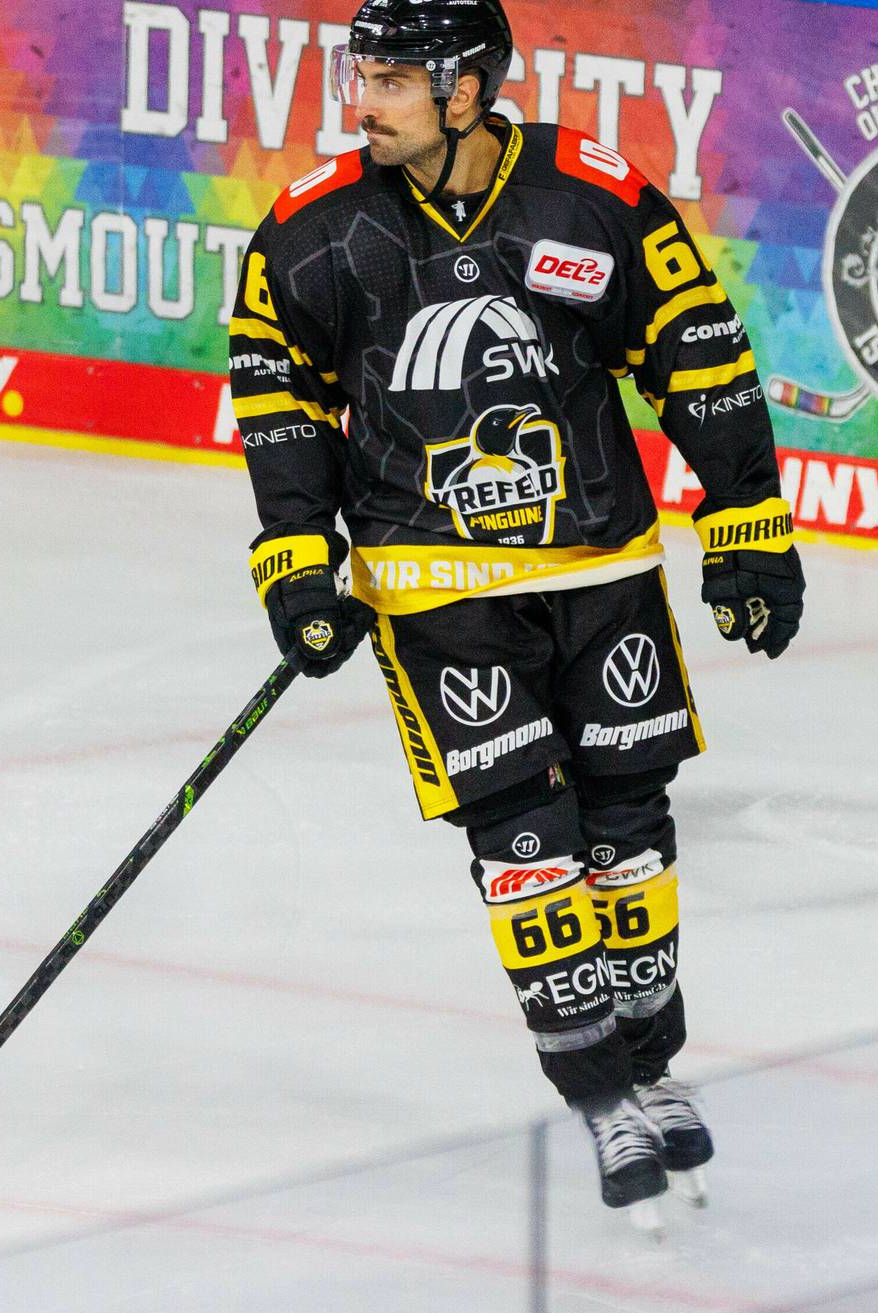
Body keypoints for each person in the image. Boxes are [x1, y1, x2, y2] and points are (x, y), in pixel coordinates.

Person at [227, 0, 804, 1224]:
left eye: (392, 79)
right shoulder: (314, 231)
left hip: (601, 571)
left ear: (467, 91)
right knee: (526, 843)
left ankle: (652, 1061)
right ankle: (600, 1095)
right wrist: (298, 554)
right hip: (439, 593)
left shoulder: (593, 197)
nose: (364, 101)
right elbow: (276, 390)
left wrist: (747, 522)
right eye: (361, 74)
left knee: (629, 829)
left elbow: (698, 353)